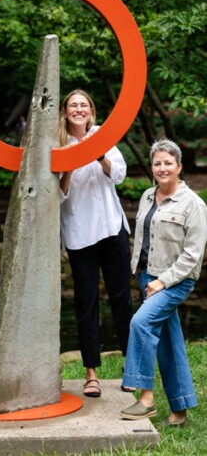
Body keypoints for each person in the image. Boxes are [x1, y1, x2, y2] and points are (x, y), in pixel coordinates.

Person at [120, 139, 207, 426]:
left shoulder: (193, 204)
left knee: (140, 323)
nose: (162, 168)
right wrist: (139, 271)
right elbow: (143, 237)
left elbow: (193, 255)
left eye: (168, 162)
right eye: (157, 163)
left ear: (179, 167)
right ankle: (180, 411)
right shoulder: (147, 196)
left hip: (175, 281)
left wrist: (163, 282)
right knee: (169, 342)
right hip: (147, 275)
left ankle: (145, 398)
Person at [59, 89, 133, 397]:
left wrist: (98, 152)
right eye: (73, 105)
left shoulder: (104, 136)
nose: (78, 109)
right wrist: (69, 165)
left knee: (122, 300)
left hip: (112, 227)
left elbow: (119, 174)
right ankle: (91, 373)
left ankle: (134, 369)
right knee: (86, 304)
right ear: (65, 112)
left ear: (91, 111)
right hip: (79, 233)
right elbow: (59, 195)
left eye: (83, 105)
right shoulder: (59, 145)